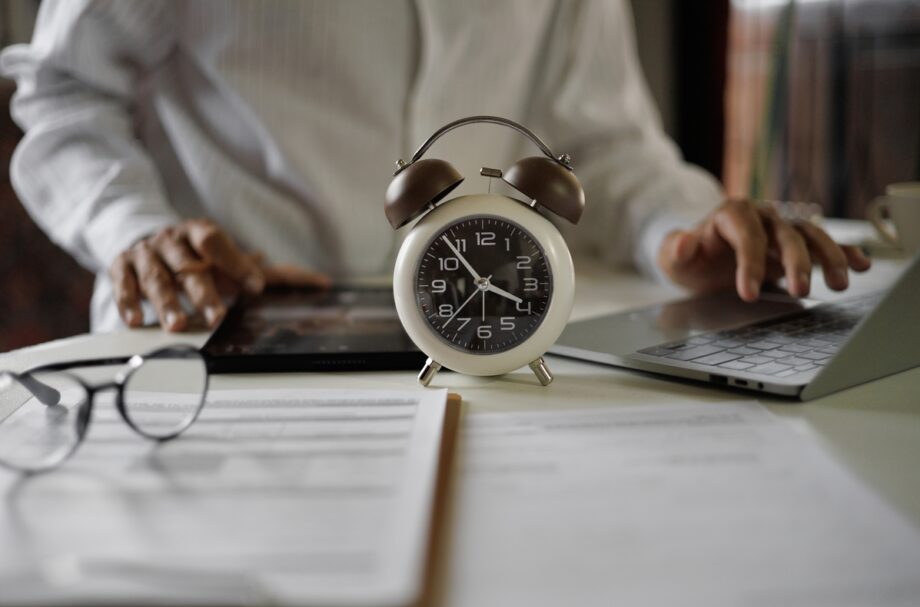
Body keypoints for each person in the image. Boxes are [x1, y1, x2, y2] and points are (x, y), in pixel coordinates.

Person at [1, 0, 869, 333]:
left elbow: (599, 136)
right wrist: (137, 231)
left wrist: (679, 227)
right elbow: (66, 91)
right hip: (210, 325)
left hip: (474, 338)